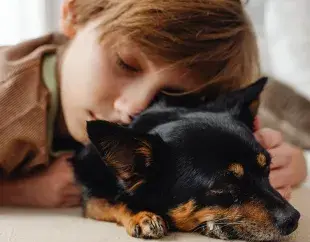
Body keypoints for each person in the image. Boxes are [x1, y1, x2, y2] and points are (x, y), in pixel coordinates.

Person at [0, 0, 307, 208]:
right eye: (125, 64)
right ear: (73, 12)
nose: (136, 105)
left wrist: (289, 163)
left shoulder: (177, 108)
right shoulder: (8, 103)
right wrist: (27, 191)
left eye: (171, 93)